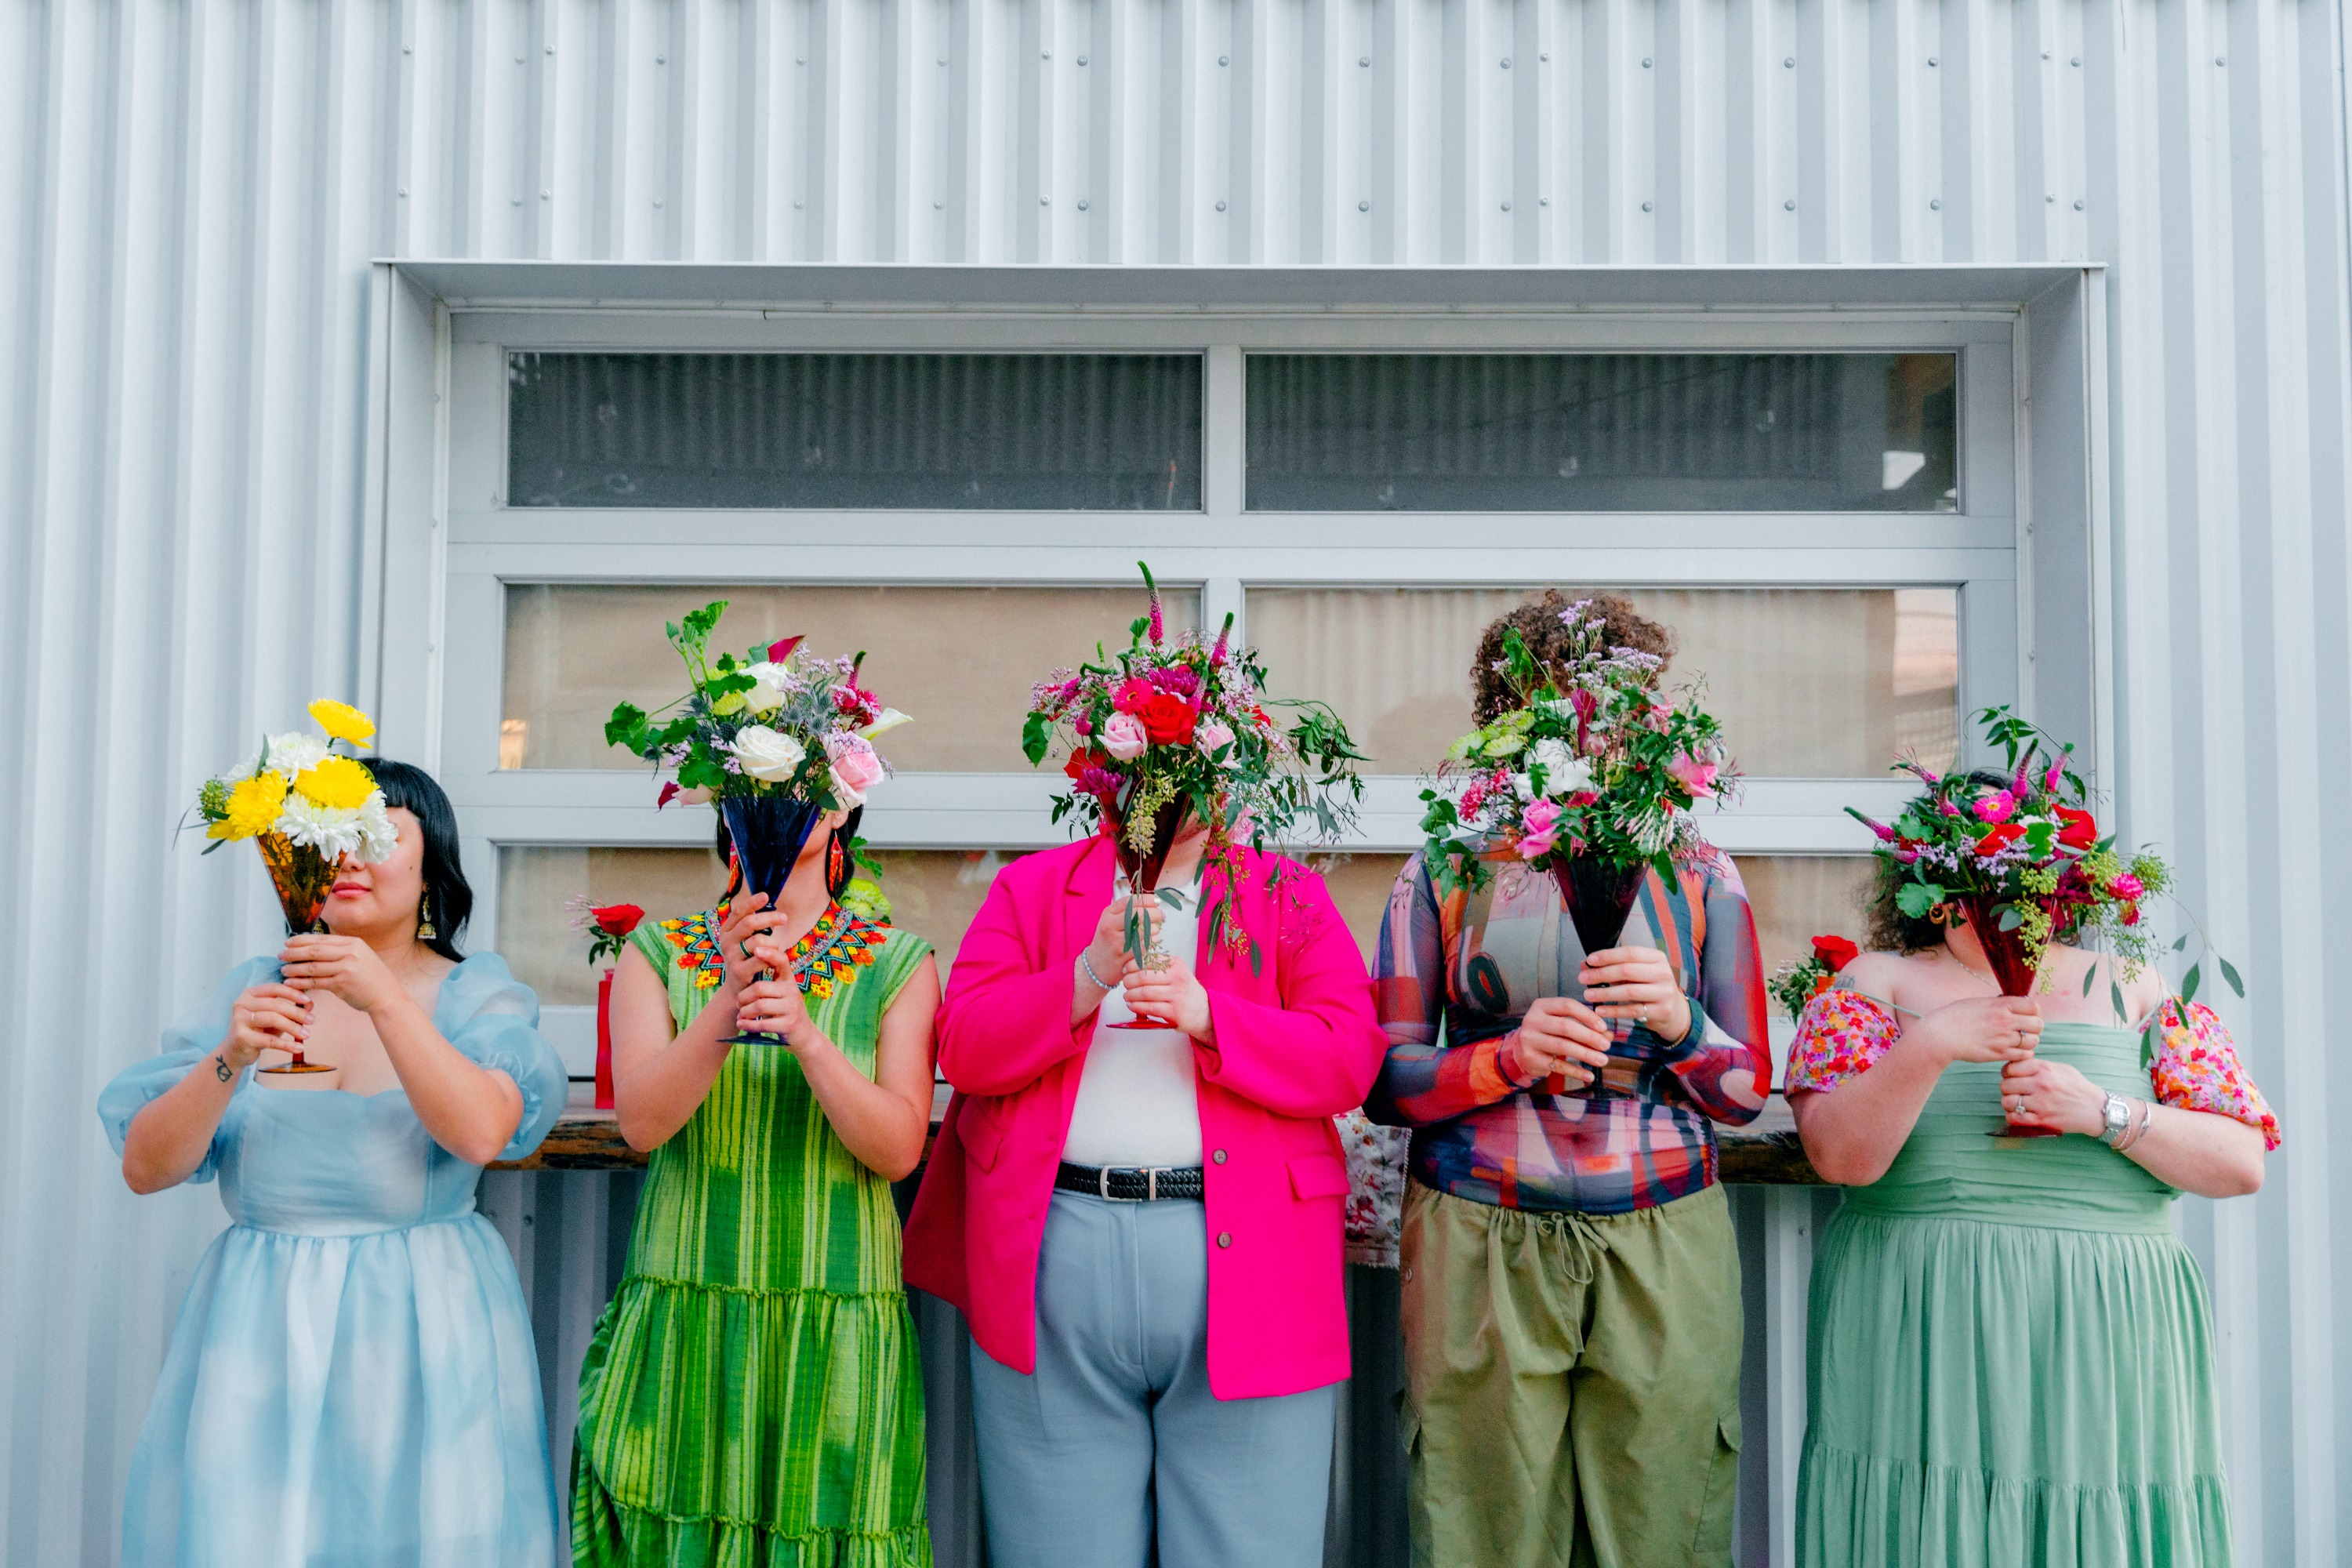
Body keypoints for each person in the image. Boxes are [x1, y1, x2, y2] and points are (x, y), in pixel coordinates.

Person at [1369, 590, 1772, 1568]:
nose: (1585, 722)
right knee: (1480, 1525)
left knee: (1662, 1521)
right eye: (1556, 701)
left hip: (1664, 1234)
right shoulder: (1446, 866)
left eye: (1607, 701)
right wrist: (1503, 1057)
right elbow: (1384, 1079)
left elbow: (1748, 1089)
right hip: (1477, 1233)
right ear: (1512, 713)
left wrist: (1680, 1024)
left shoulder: (1702, 871)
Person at [102, 760, 568, 1567]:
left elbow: (485, 1133)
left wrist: (381, 995)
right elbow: (146, 1165)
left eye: (380, 835)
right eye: (334, 835)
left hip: (429, 1315)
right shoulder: (256, 990)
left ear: (432, 869)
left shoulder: (474, 994)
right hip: (261, 1318)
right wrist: (231, 1053)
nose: (351, 855)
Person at [1788, 808, 2276, 1566]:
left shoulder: (2138, 990)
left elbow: (2241, 1163)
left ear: (2066, 885)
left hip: (2105, 1323)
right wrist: (1935, 1042)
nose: (2013, 898)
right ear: (1934, 886)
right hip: (1925, 1311)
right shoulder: (1870, 983)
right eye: (1988, 878)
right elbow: (1841, 1157)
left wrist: (2104, 1113)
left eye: (2031, 876)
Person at [903, 808, 1387, 1568]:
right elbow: (963, 1043)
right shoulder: (1032, 886)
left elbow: (1349, 1054)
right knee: (1057, 1547)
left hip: (1260, 1265)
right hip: (1053, 1256)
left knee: (1249, 1546)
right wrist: (1087, 975)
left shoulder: (1284, 891)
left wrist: (1209, 1017)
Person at [571, 805, 941, 1566]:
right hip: (690, 1307)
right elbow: (642, 1122)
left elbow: (900, 1147)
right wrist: (725, 1001)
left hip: (833, 1309)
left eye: (803, 778)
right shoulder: (660, 949)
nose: (781, 797)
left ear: (841, 803)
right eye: (759, 775)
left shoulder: (898, 960)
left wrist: (807, 1034)